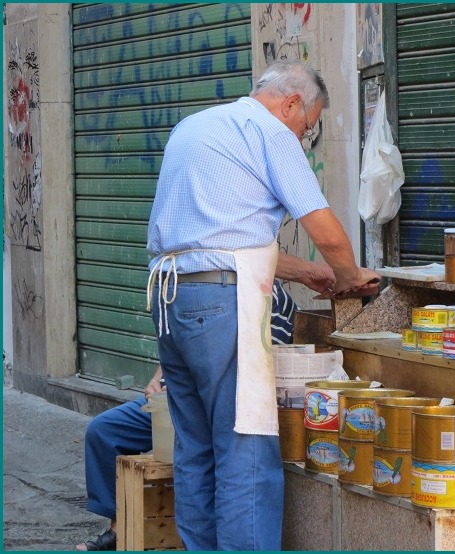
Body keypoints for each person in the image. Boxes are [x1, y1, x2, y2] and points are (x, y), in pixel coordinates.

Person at [145, 60, 380, 551]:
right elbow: (327, 231)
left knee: (196, 446)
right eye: (308, 128)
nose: (303, 139)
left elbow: (218, 240)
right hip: (223, 305)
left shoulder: (195, 126)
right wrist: (349, 278)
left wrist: (307, 272)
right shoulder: (270, 132)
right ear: (291, 104)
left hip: (172, 299)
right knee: (246, 444)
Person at [75, 272, 327, 551]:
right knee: (102, 430)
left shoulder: (272, 301)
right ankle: (118, 527)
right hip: (169, 400)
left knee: (212, 456)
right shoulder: (191, 284)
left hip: (216, 402)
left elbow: (256, 362)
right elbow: (178, 350)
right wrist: (157, 380)